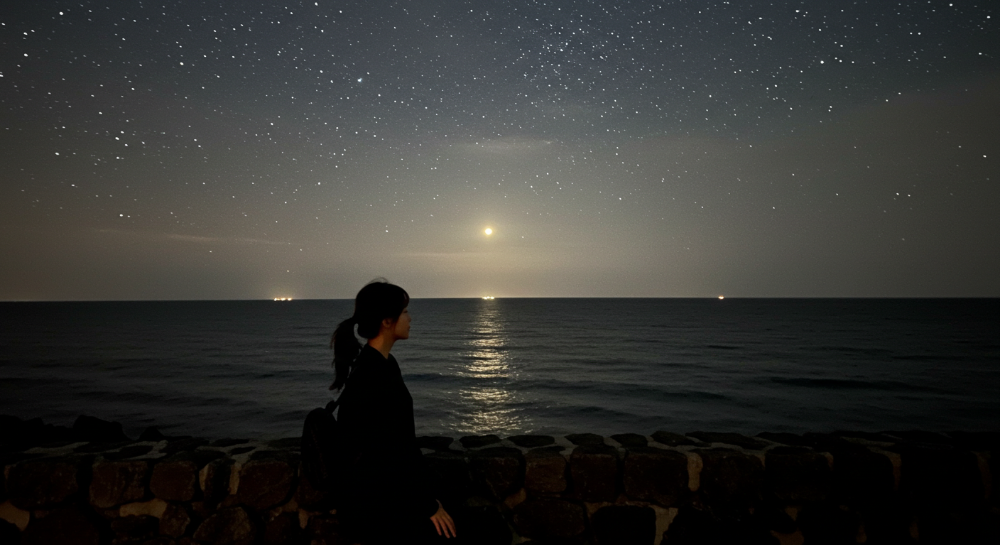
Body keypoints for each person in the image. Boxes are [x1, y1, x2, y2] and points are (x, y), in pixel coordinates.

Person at [330, 279, 457, 544]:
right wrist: (428, 505)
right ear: (387, 321)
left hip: (379, 497)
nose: (410, 319)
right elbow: (387, 451)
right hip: (377, 506)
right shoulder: (373, 373)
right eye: (405, 312)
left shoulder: (379, 363)